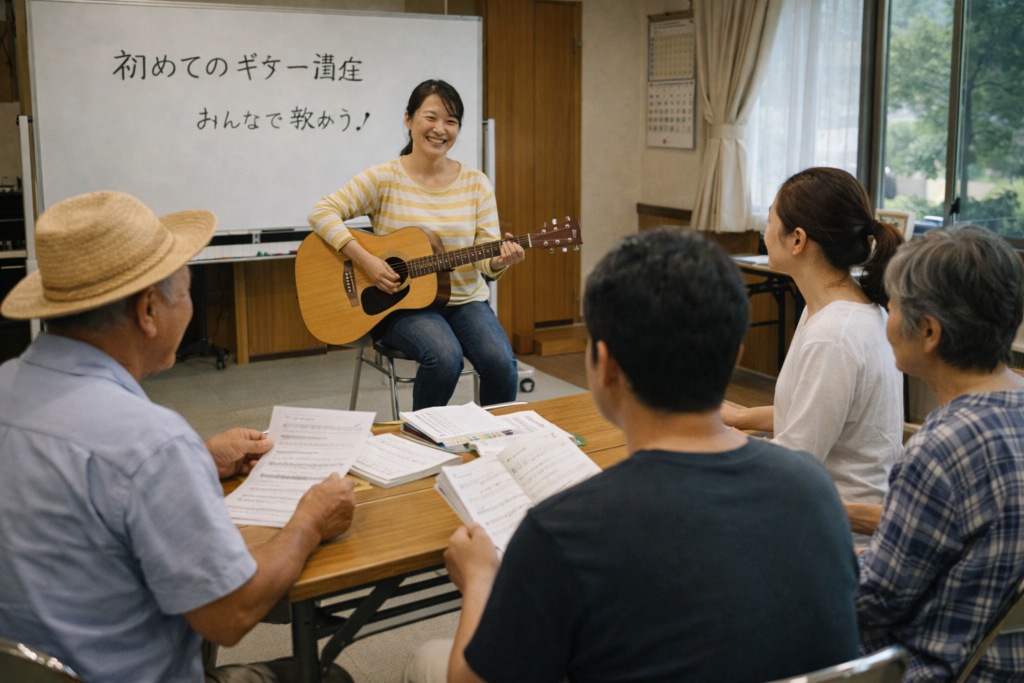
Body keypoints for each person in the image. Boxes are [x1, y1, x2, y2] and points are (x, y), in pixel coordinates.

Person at [403, 228, 861, 683]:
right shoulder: (813, 487)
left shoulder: (561, 530)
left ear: (606, 365)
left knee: (424, 659)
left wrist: (480, 579)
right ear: (733, 353)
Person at [0, 191, 357, 683]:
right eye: (186, 290)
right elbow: (230, 614)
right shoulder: (152, 442)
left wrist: (200, 458)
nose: (188, 305)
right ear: (148, 310)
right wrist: (311, 520)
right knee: (329, 675)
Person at [855, 226, 1024, 682]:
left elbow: (875, 599)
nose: (886, 320)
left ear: (929, 331)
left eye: (890, 307)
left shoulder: (943, 447)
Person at [308, 79, 523, 410]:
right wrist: (366, 260)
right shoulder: (384, 177)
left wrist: (501, 259)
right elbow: (322, 212)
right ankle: (422, 439)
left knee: (500, 364)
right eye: (431, 117)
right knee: (444, 356)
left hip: (465, 300)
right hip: (400, 304)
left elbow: (485, 257)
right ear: (408, 120)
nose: (440, 129)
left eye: (451, 121)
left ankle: (494, 442)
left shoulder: (476, 183)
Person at [720, 167, 905, 544]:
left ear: (798, 240)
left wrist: (714, 444)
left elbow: (791, 465)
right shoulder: (839, 307)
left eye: (770, 220)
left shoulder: (834, 334)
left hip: (838, 536)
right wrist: (740, 417)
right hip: (816, 509)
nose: (764, 232)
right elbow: (820, 414)